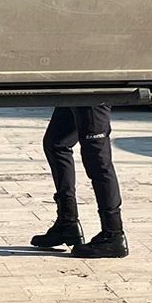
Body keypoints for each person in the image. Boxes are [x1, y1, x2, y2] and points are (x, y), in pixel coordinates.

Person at [30, 105, 127, 258]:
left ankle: (113, 234)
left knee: (98, 161)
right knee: (56, 143)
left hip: (93, 93)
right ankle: (67, 223)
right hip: (76, 91)